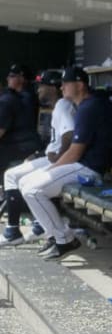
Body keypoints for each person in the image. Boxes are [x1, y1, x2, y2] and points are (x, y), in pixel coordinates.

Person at [20, 67, 112, 260]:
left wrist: (50, 169)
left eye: (66, 83)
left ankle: (64, 239)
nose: (62, 87)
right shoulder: (87, 105)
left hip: (89, 170)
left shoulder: (90, 107)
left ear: (80, 85)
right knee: (24, 182)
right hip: (81, 165)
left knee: (32, 189)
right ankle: (55, 237)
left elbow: (74, 152)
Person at [0, 71, 76, 247]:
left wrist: (59, 159)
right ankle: (33, 227)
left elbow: (69, 135)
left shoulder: (63, 105)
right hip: (52, 158)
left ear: (53, 88)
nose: (38, 90)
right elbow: (57, 141)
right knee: (14, 176)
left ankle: (17, 231)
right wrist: (40, 154)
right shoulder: (58, 105)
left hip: (59, 161)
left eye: (42, 86)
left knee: (17, 178)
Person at [0, 64, 42, 181]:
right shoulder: (27, 96)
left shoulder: (9, 100)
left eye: (12, 76)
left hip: (20, 147)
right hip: (32, 144)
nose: (8, 79)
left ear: (22, 78)